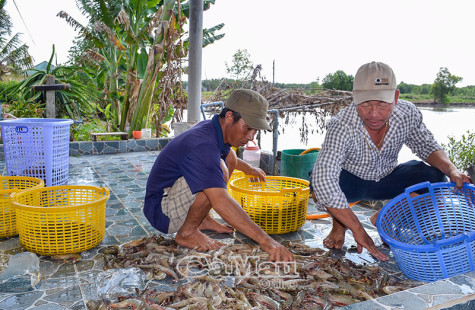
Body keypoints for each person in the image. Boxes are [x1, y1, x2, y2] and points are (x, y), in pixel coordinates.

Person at [310, 61, 471, 261]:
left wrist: (452, 169)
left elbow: (426, 145)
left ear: (395, 97)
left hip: (387, 178)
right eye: (366, 104)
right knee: (318, 182)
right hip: (352, 182)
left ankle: (385, 217)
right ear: (354, 97)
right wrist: (358, 230)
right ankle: (340, 224)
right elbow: (324, 178)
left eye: (382, 104)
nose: (374, 114)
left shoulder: (407, 113)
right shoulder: (341, 125)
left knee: (435, 176)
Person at [144, 89, 294, 262]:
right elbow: (221, 201)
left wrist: (249, 169)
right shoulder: (202, 145)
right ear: (229, 117)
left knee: (228, 156)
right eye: (248, 128)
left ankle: (202, 220)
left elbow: (231, 157)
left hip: (172, 196)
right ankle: (187, 232)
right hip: (162, 212)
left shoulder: (213, 129)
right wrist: (266, 241)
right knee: (219, 169)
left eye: (256, 131)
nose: (251, 137)